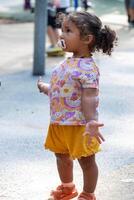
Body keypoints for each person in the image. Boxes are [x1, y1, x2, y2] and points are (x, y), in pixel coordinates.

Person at [37, 11, 117, 200]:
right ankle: (67, 188)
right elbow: (63, 89)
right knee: (61, 157)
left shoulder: (88, 68)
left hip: (80, 125)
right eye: (62, 30)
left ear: (87, 39)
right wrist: (47, 88)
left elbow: (89, 96)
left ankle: (88, 194)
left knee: (86, 161)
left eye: (68, 31)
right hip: (59, 121)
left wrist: (91, 121)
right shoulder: (67, 62)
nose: (62, 35)